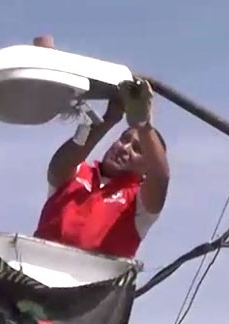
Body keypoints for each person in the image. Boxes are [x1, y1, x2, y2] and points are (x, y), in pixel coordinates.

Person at [31, 37, 170, 259]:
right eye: (124, 139)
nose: (125, 148)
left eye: (137, 149)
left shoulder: (138, 205)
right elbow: (57, 168)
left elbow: (161, 178)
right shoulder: (77, 172)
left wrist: (144, 125)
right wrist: (110, 118)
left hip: (94, 290)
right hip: (38, 277)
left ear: (146, 170)